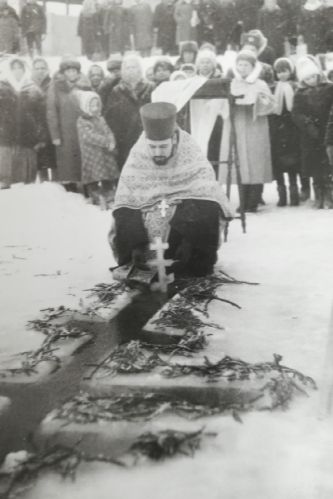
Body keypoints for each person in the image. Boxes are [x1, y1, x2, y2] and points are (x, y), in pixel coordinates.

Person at [110, 102, 233, 278]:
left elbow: (208, 194)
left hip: (181, 229)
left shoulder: (189, 149)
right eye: (152, 147)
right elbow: (125, 200)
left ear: (174, 140)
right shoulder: (138, 152)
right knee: (126, 211)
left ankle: (191, 260)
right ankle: (137, 261)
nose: (157, 152)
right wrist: (135, 245)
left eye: (163, 147)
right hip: (147, 231)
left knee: (206, 208)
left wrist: (190, 241)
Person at [231, 50, 275, 213]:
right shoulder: (233, 83)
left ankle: (254, 200)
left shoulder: (260, 84)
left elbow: (270, 104)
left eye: (246, 65)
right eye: (239, 64)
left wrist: (258, 102)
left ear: (253, 67)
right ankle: (243, 201)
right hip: (238, 127)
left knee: (256, 163)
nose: (242, 68)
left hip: (256, 127)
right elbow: (223, 104)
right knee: (241, 163)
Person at [292, 56, 333, 209]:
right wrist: (307, 124)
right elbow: (296, 113)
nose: (311, 80)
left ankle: (329, 195)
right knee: (315, 166)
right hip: (310, 134)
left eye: (313, 76)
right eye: (307, 78)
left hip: (327, 130)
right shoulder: (300, 93)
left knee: (327, 165)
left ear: (318, 74)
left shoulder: (329, 88)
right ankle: (318, 195)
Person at [47, 57, 91, 191]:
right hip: (65, 131)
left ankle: (86, 189)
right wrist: (55, 135)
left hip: (83, 130)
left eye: (74, 71)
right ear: (63, 73)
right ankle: (70, 190)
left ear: (78, 72)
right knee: (67, 163)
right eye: (68, 71)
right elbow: (51, 111)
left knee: (84, 160)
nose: (71, 74)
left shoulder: (85, 86)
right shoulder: (56, 86)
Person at [0, 58, 46, 187]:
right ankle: (4, 180)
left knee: (27, 171)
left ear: (24, 70)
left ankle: (27, 182)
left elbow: (41, 114)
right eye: (13, 68)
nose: (17, 71)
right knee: (5, 159)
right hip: (5, 133)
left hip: (28, 132)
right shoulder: (2, 87)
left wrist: (40, 134)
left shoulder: (34, 89)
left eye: (19, 68)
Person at [104, 54, 154, 170]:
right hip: (124, 138)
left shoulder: (150, 87)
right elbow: (110, 117)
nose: (131, 70)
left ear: (139, 69)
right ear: (123, 71)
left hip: (145, 135)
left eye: (134, 67)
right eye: (128, 68)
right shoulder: (116, 91)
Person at [77, 91, 118, 206]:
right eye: (92, 105)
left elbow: (107, 130)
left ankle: (109, 193)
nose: (95, 108)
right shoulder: (82, 121)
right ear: (85, 106)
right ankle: (94, 195)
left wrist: (111, 140)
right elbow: (89, 136)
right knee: (93, 175)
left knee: (107, 173)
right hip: (92, 154)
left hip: (104, 153)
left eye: (97, 105)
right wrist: (105, 142)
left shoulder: (100, 118)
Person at [270, 58, 301, 206]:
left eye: (285, 71)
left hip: (291, 126)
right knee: (278, 161)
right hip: (277, 127)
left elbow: (296, 106)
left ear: (290, 71)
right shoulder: (273, 88)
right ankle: (281, 194)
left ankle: (294, 193)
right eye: (279, 72)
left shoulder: (295, 86)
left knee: (292, 161)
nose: (282, 75)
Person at [32, 57, 56, 181]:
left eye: (43, 68)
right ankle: (44, 183)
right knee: (40, 162)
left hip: (50, 127)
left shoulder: (53, 84)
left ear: (47, 70)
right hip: (35, 128)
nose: (40, 71)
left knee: (53, 159)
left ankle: (59, 187)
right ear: (32, 70)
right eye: (37, 68)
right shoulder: (29, 85)